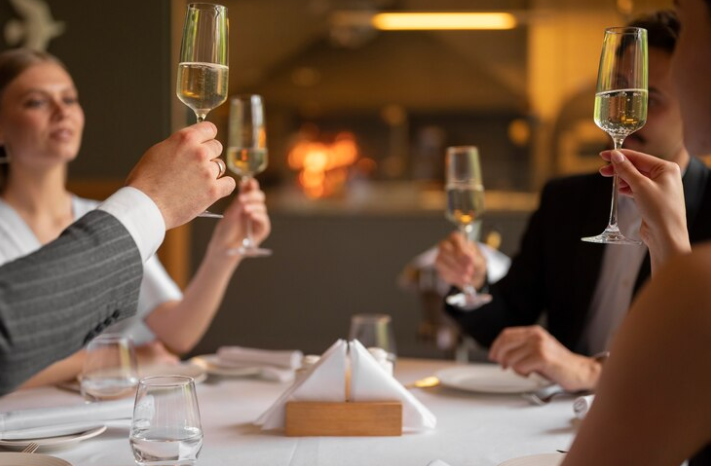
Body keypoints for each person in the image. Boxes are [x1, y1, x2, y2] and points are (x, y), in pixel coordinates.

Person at [434, 10, 711, 391]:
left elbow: (696, 367)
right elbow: (506, 326)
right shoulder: (564, 200)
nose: (627, 110)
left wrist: (590, 371)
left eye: (651, 98)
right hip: (556, 422)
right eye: (619, 90)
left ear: (693, 104)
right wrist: (471, 283)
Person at [0, 48, 270, 389]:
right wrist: (125, 358)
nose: (61, 112)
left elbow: (178, 332)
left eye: (69, 99)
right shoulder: (119, 222)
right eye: (36, 102)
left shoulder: (103, 217)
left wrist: (223, 252)